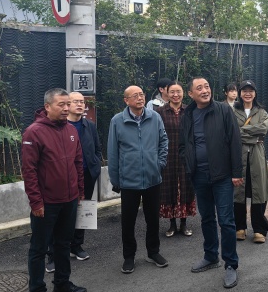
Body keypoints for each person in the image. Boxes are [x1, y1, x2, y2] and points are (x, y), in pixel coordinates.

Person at [22, 88, 87, 292]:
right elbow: (29, 171)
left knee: (63, 244)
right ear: (48, 106)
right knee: (39, 249)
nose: (67, 108)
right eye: (62, 104)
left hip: (69, 199)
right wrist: (36, 202)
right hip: (46, 203)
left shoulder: (71, 130)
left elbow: (78, 163)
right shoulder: (34, 132)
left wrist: (80, 191)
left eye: (68, 104)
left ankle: (62, 284)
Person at [179, 77, 243, 289]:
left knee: (226, 220)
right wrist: (188, 163)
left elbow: (235, 140)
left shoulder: (223, 110)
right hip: (199, 175)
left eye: (206, 86)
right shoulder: (188, 114)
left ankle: (231, 264)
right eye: (199, 88)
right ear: (191, 94)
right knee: (206, 217)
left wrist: (236, 172)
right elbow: (183, 144)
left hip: (222, 175)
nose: (205, 90)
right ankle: (210, 256)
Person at [108, 86, 169, 274]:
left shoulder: (154, 117)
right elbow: (113, 152)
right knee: (128, 221)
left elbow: (163, 141)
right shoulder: (117, 121)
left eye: (141, 94)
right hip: (129, 180)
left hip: (152, 178)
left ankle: (153, 252)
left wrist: (159, 164)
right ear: (126, 100)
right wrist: (116, 179)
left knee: (153, 219)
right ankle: (129, 256)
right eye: (135, 96)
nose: (140, 98)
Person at [45, 91, 103, 272]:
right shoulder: (60, 126)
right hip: (64, 178)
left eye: (82, 102)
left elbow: (97, 148)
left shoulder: (89, 125)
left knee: (84, 211)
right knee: (59, 215)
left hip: (87, 174)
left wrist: (95, 166)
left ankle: (76, 245)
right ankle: (52, 254)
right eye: (75, 101)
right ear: (67, 105)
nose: (80, 104)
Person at [233, 80, 268, 244]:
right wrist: (252, 136)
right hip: (238, 154)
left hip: (257, 155)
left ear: (255, 93)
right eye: (244, 90)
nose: (247, 93)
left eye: (251, 90)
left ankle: (259, 229)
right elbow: (231, 132)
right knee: (237, 192)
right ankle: (239, 227)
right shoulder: (233, 112)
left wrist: (241, 131)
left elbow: (263, 130)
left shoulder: (262, 112)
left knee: (259, 191)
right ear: (240, 93)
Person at [157, 82, 196, 237]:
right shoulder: (160, 112)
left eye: (178, 91)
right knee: (169, 188)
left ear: (183, 93)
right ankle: (172, 224)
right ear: (166, 93)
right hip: (168, 155)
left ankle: (184, 223)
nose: (175, 95)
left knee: (186, 188)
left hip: (186, 156)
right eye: (172, 92)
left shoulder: (190, 111)